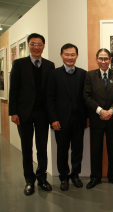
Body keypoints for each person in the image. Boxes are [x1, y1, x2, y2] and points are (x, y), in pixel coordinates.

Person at [9, 33, 55, 195]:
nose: (36, 47)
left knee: (42, 148)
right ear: (29, 46)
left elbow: (51, 92)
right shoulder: (19, 64)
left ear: (43, 46)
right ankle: (29, 180)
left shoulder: (50, 65)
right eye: (33, 44)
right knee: (26, 148)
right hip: (24, 114)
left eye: (39, 44)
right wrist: (13, 112)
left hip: (43, 114)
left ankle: (42, 178)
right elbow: (13, 90)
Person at [47, 43, 88, 191]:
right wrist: (53, 119)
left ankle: (75, 175)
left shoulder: (83, 74)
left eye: (72, 55)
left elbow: (86, 98)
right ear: (61, 55)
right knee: (62, 150)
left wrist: (87, 117)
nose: (70, 57)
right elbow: (50, 98)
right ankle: (63, 177)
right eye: (67, 54)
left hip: (79, 120)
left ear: (77, 56)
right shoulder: (54, 74)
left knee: (77, 149)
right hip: (61, 121)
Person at [83, 48, 113, 189]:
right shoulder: (90, 75)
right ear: (96, 59)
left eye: (105, 58)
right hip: (96, 118)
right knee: (96, 149)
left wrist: (111, 111)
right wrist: (100, 111)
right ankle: (95, 177)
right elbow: (86, 96)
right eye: (100, 58)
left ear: (110, 60)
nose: (103, 61)